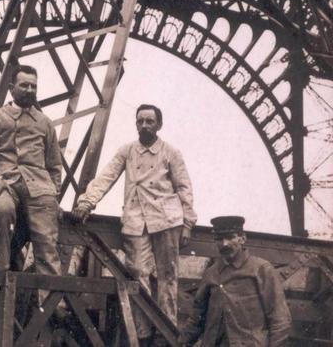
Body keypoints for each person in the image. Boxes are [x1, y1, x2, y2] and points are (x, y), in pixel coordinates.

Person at [71, 104, 196, 340]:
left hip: (167, 220)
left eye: (150, 121)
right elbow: (107, 176)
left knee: (168, 277)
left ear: (159, 125)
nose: (145, 125)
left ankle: (165, 333)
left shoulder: (171, 152)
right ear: (136, 123)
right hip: (136, 220)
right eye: (140, 121)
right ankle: (143, 332)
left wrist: (188, 222)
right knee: (137, 274)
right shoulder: (127, 151)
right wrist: (87, 202)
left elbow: (184, 188)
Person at [0, 65, 63, 302]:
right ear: (12, 88)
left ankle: (51, 300)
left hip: (39, 186)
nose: (30, 90)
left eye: (33, 86)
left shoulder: (45, 123)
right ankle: (0, 276)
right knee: (2, 210)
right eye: (24, 85)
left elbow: (54, 165)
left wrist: (54, 194)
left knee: (46, 239)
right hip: (5, 181)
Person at [179, 216, 292, 346]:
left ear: (242, 238)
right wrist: (182, 341)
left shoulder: (261, 269)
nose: (224, 243)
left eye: (230, 237)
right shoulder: (211, 273)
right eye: (219, 239)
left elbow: (280, 318)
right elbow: (197, 317)